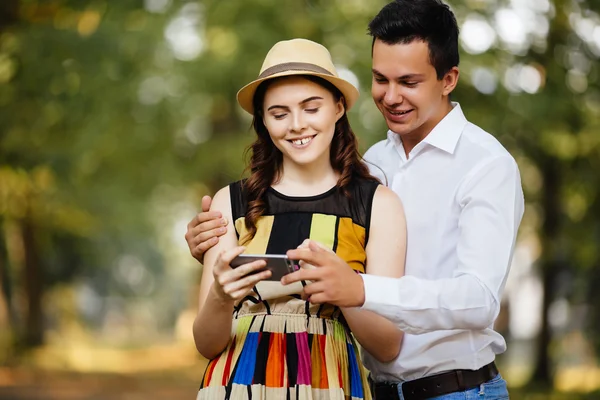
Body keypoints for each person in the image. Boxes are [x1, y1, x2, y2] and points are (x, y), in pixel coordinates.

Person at [187, 1, 525, 399]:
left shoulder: (486, 165)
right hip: (373, 388)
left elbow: (479, 300)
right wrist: (209, 249)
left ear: (448, 79)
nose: (391, 96)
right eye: (381, 79)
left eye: (409, 82)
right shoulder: (371, 167)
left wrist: (358, 288)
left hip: (458, 390)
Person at [191, 38, 407, 400]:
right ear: (263, 119)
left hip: (328, 381)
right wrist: (219, 296)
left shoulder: (378, 204)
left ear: (338, 108)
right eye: (279, 113)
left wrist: (344, 289)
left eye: (311, 108)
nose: (296, 125)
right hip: (236, 382)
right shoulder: (231, 201)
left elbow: (387, 347)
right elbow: (206, 343)